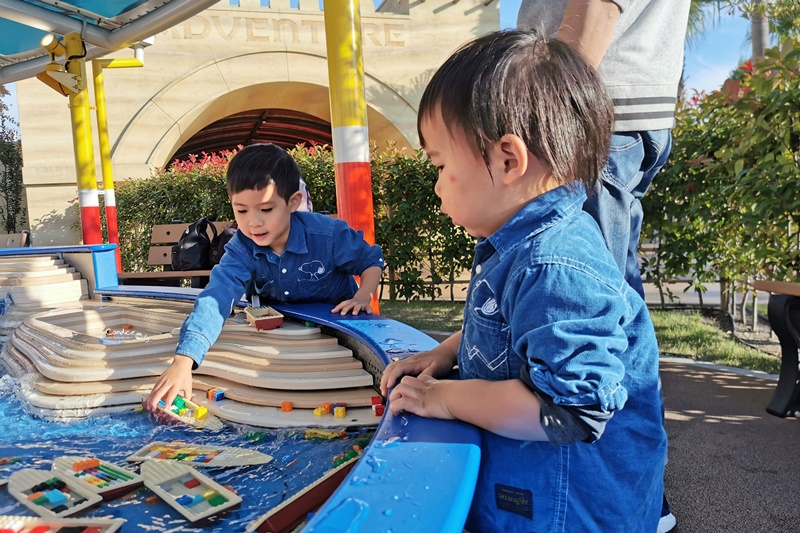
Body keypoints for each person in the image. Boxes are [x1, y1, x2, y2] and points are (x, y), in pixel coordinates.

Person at [380, 30, 667, 532]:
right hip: (533, 495)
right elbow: (508, 332)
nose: (436, 185)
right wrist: (444, 353)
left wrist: (441, 398)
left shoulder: (554, 264)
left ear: (507, 160)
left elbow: (570, 411)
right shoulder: (520, 243)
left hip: (565, 511)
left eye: (442, 165)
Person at [519, 4, 690, 530]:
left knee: (589, 321)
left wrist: (548, 113)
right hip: (607, 109)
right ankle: (640, 500)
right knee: (612, 312)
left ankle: (620, 508)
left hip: (591, 111)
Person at [144, 143, 384, 412]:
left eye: (266, 210)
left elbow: (370, 261)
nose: (253, 223)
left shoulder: (327, 235)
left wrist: (363, 296)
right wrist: (183, 361)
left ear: (292, 202)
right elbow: (217, 296)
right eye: (242, 210)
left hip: (340, 339)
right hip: (284, 338)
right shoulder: (241, 249)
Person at [518, 0, 691, 298]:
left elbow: (598, 5)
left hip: (590, 107)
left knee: (580, 282)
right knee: (609, 276)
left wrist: (547, 111)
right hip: (618, 105)